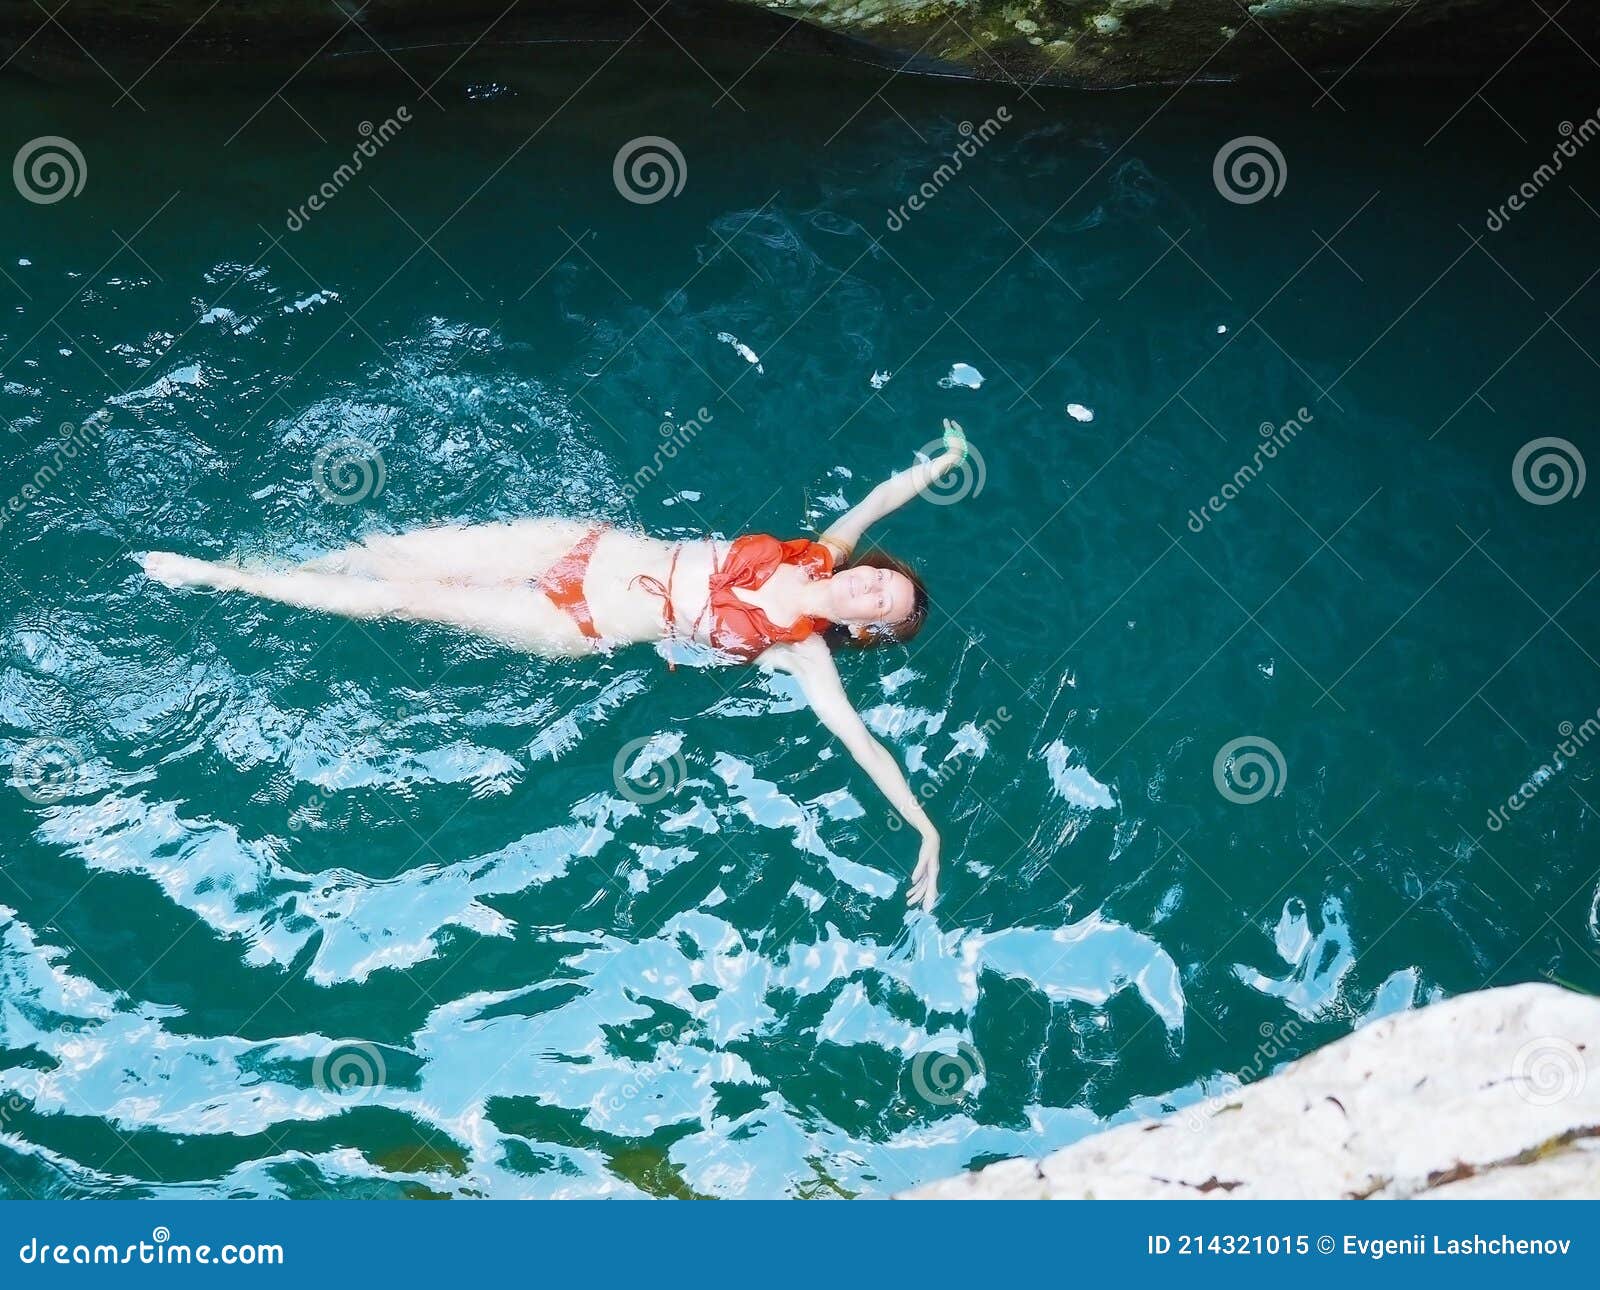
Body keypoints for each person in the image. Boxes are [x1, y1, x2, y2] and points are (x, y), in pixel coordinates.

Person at [140, 422, 973, 909]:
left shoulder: (801, 650)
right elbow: (879, 498)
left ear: (864, 630)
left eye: (880, 606)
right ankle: (277, 565)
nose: (871, 588)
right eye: (882, 580)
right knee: (395, 552)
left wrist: (925, 827)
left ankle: (222, 578)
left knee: (404, 600)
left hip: (573, 620)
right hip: (577, 546)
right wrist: (942, 464)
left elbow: (862, 745)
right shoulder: (822, 552)